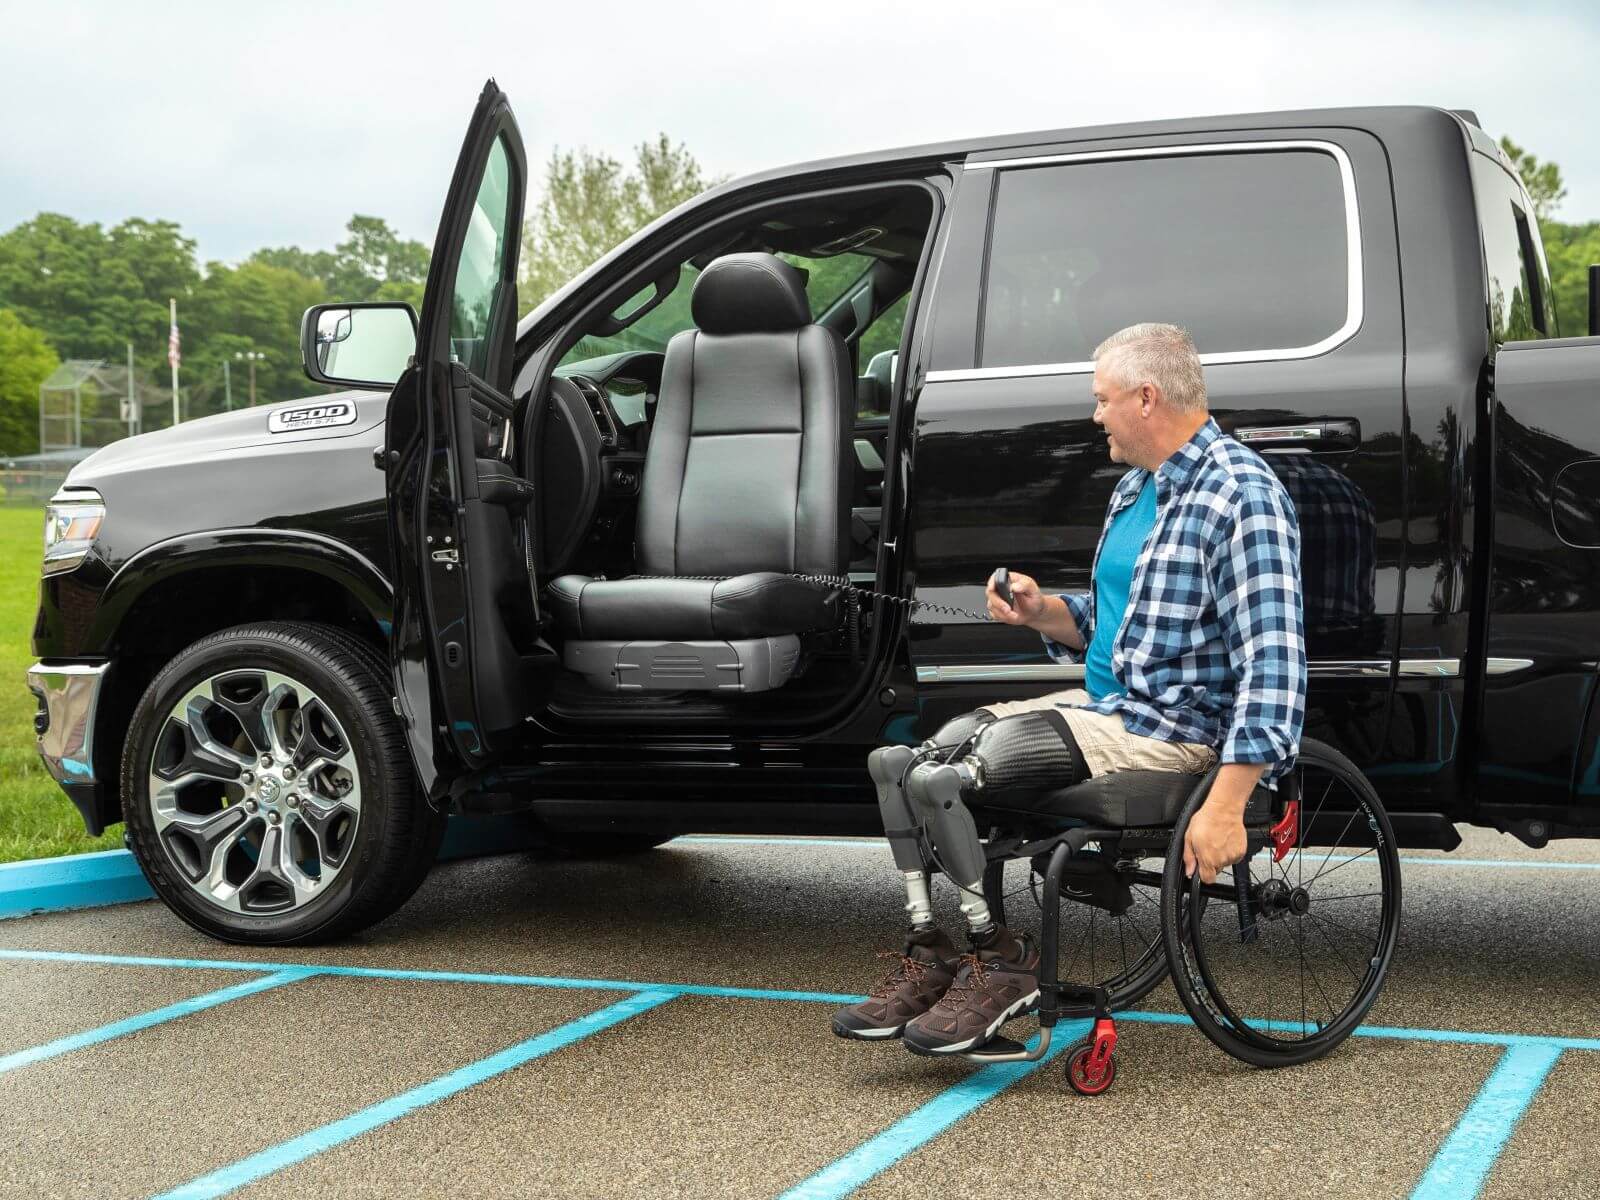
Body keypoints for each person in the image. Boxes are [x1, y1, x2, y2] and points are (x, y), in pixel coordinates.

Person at [832, 322, 1306, 1056]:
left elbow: (1274, 667)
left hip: (1176, 732)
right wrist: (1042, 611)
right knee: (902, 764)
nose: (1095, 417)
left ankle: (1003, 962)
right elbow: (1120, 628)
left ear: (1146, 398)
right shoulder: (1133, 491)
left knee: (964, 771)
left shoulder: (1241, 496)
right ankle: (932, 946)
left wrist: (1229, 803)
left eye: (1102, 400)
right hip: (1105, 709)